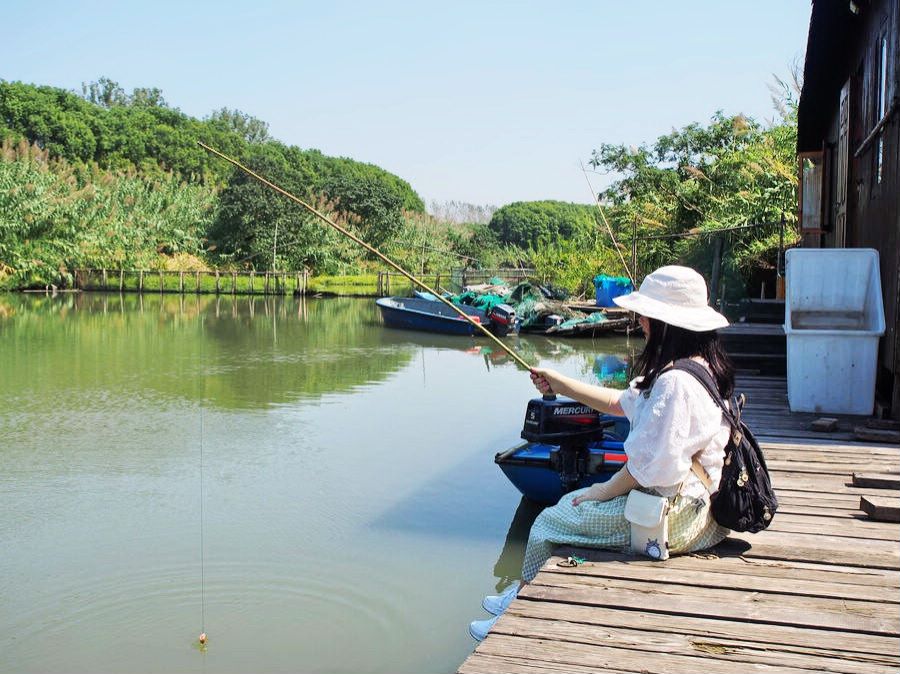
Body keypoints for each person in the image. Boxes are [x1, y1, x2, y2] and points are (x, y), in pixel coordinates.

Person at [469, 265, 735, 641]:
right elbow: (618, 402)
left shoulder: (674, 383)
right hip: (690, 500)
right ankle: (518, 593)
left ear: (664, 323)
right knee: (569, 508)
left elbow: (648, 471)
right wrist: (560, 382)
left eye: (646, 314)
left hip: (677, 517)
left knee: (551, 520)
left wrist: (600, 490)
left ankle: (515, 614)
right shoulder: (696, 366)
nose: (640, 320)